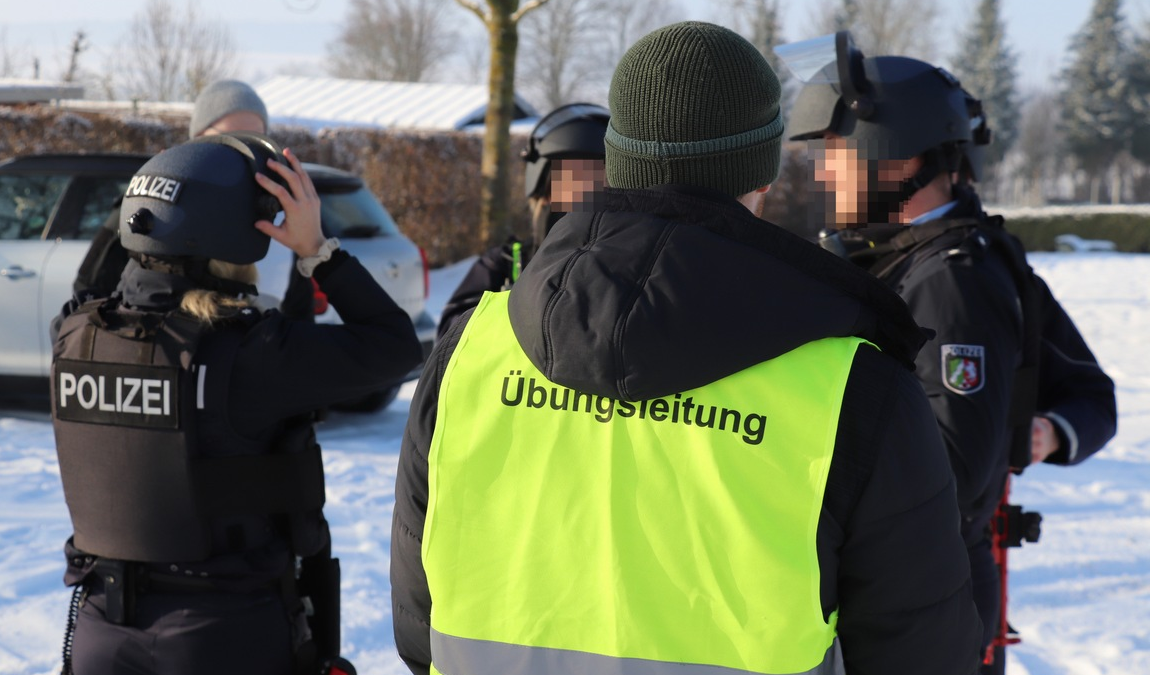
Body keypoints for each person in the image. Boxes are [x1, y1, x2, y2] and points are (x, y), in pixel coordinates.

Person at [392, 21, 981, 675]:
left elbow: (422, 630)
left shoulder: (469, 351)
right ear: (760, 173)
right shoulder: (856, 387)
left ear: (617, 157)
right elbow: (923, 653)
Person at [785, 34, 1117, 673]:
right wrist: (1032, 426)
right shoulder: (903, 258)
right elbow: (1084, 397)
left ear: (900, 157)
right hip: (912, 595)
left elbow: (949, 478)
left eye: (837, 153)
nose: (824, 172)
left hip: (920, 611)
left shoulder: (953, 279)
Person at [52, 132, 422, 675]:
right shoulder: (251, 353)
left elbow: (97, 283)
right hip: (223, 635)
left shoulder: (74, 336)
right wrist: (317, 250)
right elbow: (394, 346)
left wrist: (150, 201)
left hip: (101, 633)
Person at [73, 79, 315, 321]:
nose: (241, 153)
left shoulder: (282, 221)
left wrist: (318, 250)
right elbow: (88, 294)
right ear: (197, 141)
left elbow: (302, 322)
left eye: (253, 141)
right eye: (230, 139)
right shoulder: (154, 205)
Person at [436, 102, 609, 337]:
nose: (580, 204)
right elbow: (451, 340)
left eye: (596, 189)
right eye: (570, 187)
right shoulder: (503, 265)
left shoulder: (631, 267)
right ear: (541, 194)